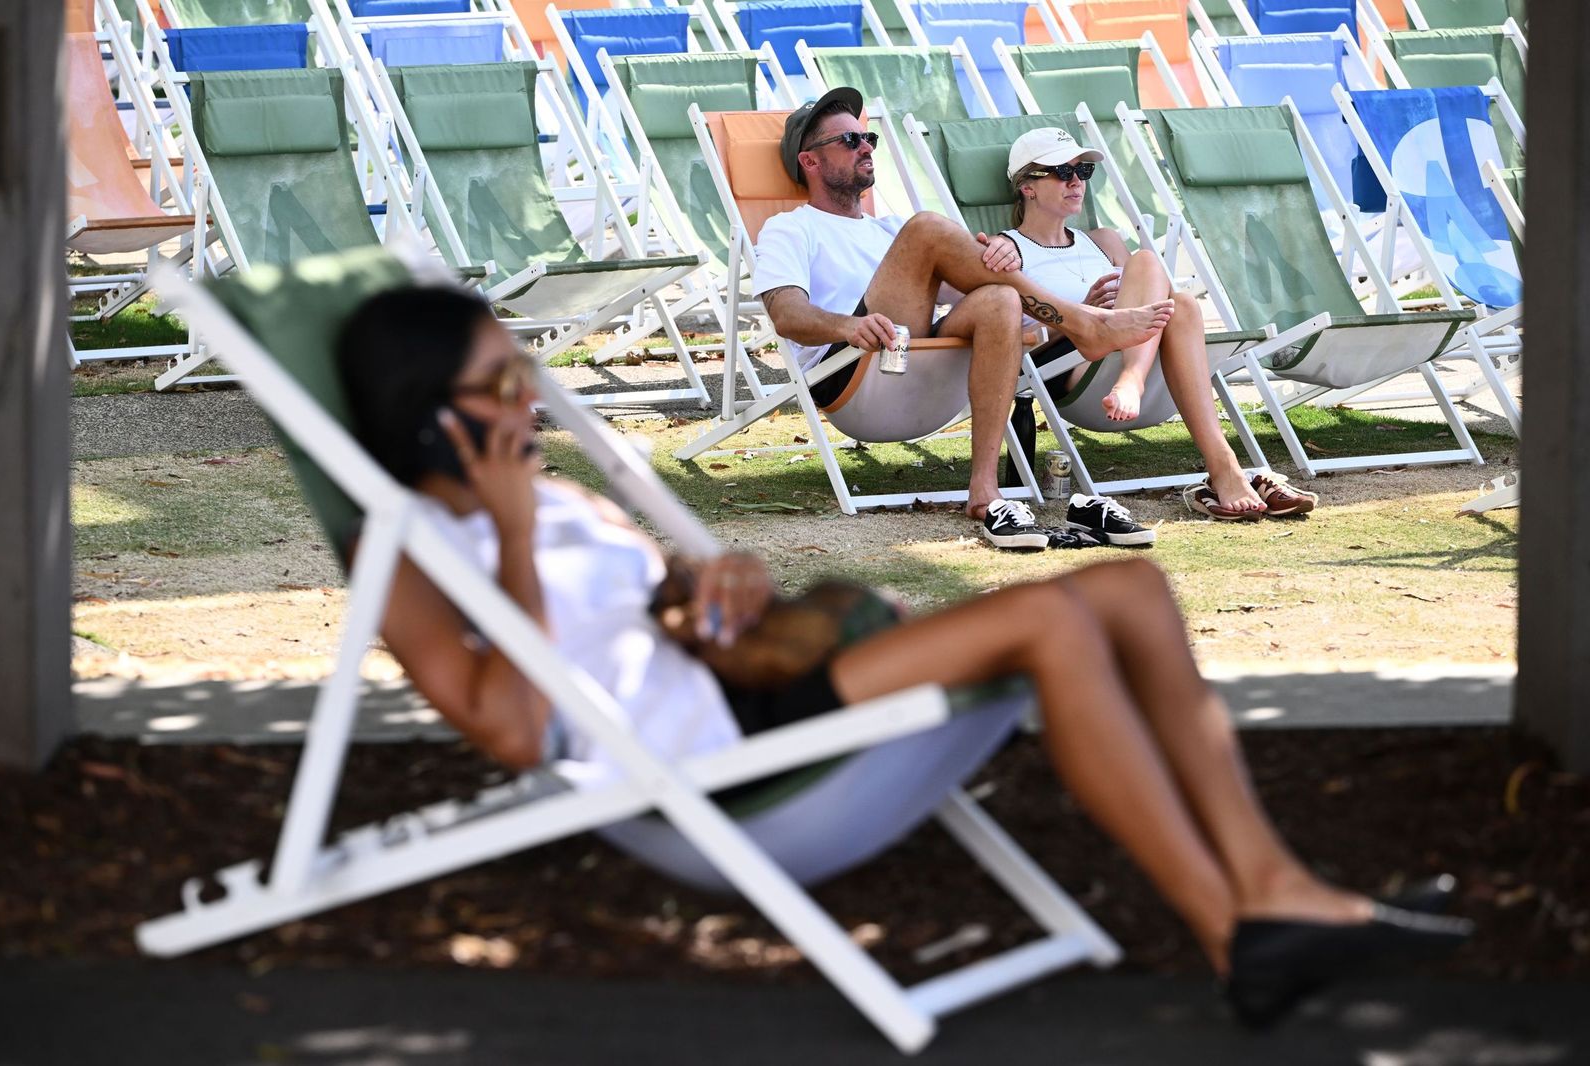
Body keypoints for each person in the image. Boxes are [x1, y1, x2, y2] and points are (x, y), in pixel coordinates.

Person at [334, 283, 1472, 1030]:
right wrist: (517, 539)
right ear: (428, 414)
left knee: (1126, 583)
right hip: (714, 758)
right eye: (497, 384)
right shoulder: (413, 554)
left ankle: (1268, 894)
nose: (527, 396)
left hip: (752, 681)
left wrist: (707, 585)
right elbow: (513, 731)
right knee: (1054, 621)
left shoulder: (552, 493)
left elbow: (661, 599)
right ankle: (1246, 934)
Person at [751, 86, 1176, 550]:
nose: (867, 147)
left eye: (868, 137)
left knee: (997, 298)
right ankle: (1083, 323)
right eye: (850, 141)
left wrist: (992, 255)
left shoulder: (886, 228)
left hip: (919, 362)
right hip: (853, 369)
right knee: (927, 227)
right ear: (809, 161)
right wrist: (846, 326)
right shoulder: (791, 227)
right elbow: (785, 313)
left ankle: (984, 488)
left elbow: (970, 288)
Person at [979, 127, 1321, 524]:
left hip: (1133, 360)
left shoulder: (1102, 240)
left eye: (1083, 171)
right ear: (1027, 186)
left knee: (1180, 300)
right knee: (1154, 273)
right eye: (1061, 171)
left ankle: (1214, 458)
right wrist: (1082, 316)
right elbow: (1007, 336)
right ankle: (1213, 455)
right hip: (1072, 366)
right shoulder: (1007, 251)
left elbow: (1154, 300)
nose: (1076, 181)